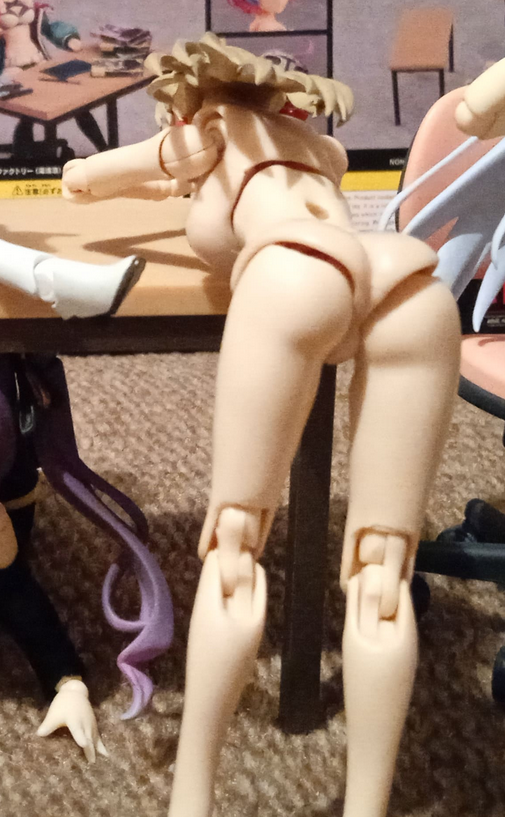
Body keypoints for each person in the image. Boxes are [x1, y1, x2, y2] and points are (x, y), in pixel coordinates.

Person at [60, 33, 461, 817]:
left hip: (292, 276)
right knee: (381, 576)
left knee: (234, 554)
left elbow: (91, 178)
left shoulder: (206, 130)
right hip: (403, 284)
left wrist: (100, 174)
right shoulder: (319, 149)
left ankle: (191, 799)